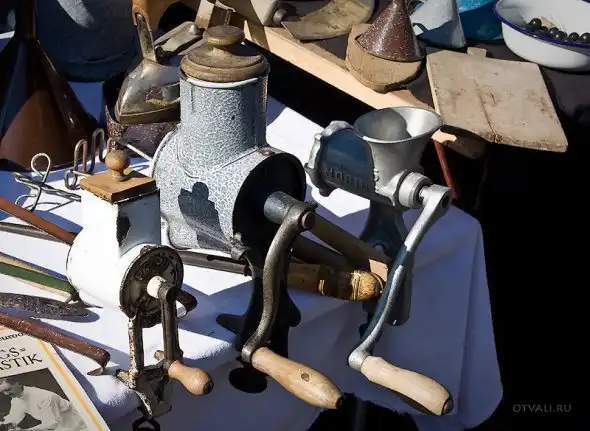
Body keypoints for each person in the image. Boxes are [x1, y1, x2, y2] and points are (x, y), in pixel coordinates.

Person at [0, 378, 87, 430]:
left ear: (18, 384)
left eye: (8, 389)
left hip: (79, 427)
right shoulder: (16, 398)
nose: (6, 394)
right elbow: (14, 417)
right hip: (58, 427)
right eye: (3, 392)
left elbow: (51, 423)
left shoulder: (44, 397)